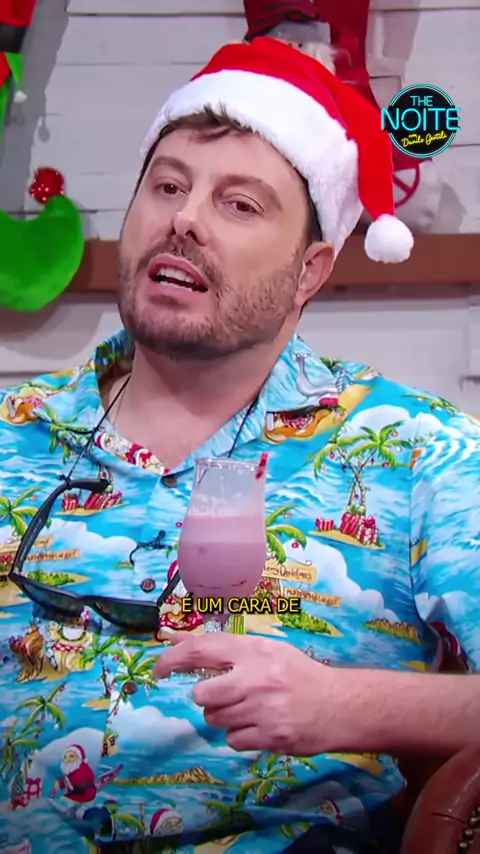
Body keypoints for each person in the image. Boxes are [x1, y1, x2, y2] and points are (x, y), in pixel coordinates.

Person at [0, 36, 479, 854]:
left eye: (240, 205)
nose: (184, 218)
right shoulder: (17, 430)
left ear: (310, 271)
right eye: (167, 186)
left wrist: (350, 706)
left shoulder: (415, 451)